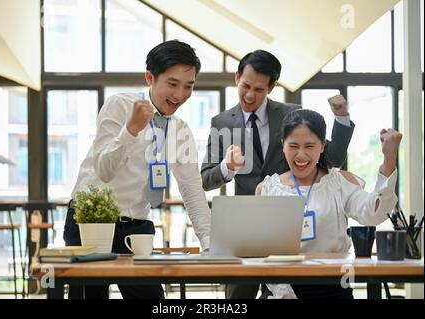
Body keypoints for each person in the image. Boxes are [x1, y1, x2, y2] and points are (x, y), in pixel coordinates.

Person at [201, 50, 355, 299]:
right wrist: (226, 167)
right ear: (237, 77)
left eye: (259, 89)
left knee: (286, 288)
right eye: (246, 85)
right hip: (246, 227)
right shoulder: (222, 122)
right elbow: (205, 179)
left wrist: (342, 118)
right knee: (239, 297)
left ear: (271, 88)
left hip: (290, 224)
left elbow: (332, 158)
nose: (250, 95)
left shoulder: (290, 114)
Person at [63, 40, 211, 299]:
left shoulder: (180, 131)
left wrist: (209, 243)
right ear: (150, 77)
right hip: (91, 222)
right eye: (173, 84)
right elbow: (104, 169)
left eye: (189, 86)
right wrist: (131, 129)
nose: (180, 95)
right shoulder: (119, 106)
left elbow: (192, 190)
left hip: (137, 227)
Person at [256, 109, 401, 299]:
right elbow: (259, 249)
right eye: (293, 146)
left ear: (322, 146)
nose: (301, 155)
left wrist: (389, 158)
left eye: (309, 146)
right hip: (281, 287)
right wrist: (284, 293)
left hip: (334, 286)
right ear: (283, 145)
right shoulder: (268, 189)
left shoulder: (338, 183)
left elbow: (373, 213)